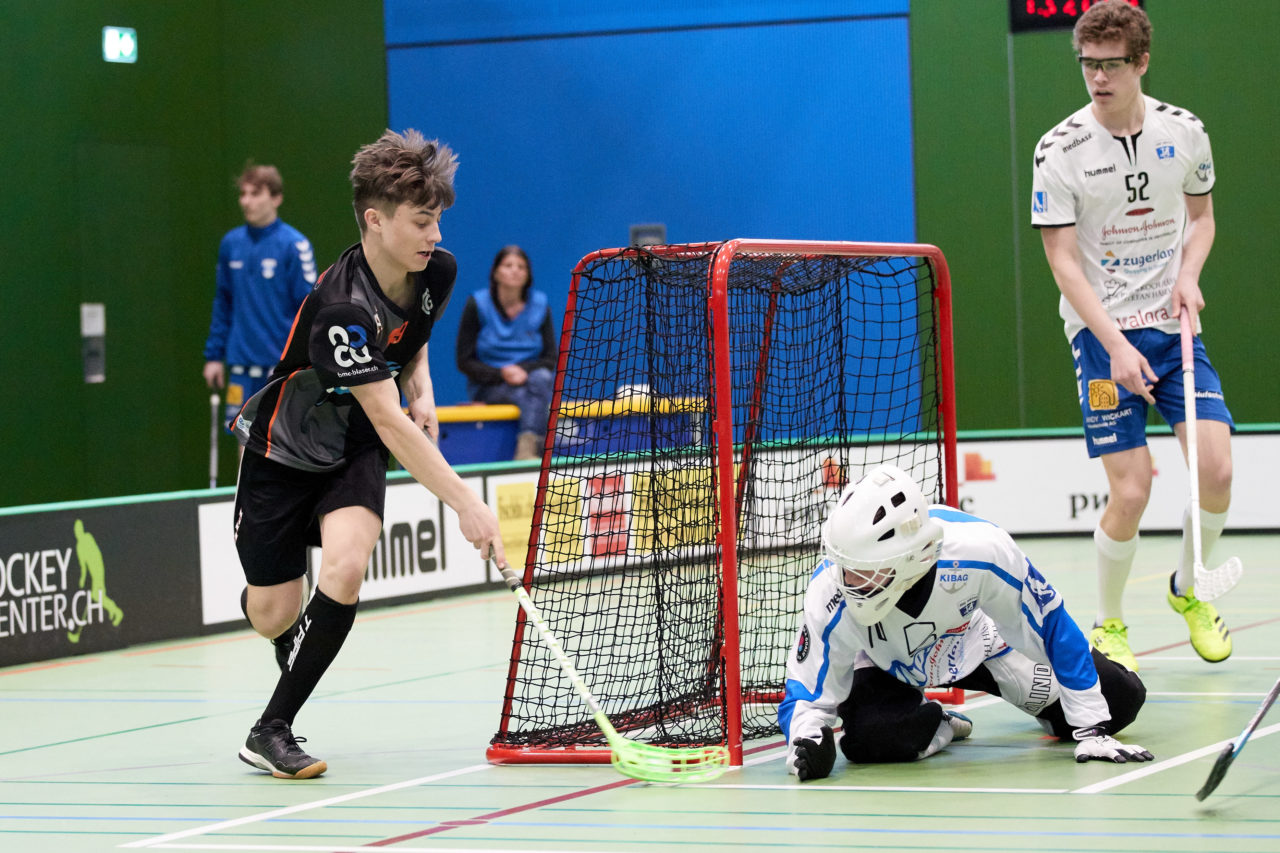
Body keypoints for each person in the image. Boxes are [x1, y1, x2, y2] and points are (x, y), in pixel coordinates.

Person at [229, 129, 506, 779]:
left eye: (437, 218)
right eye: (420, 221)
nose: (434, 234)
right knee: (275, 612)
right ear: (375, 221)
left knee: (348, 566)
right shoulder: (340, 310)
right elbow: (391, 421)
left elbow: (412, 335)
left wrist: (424, 387)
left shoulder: (434, 268)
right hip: (283, 450)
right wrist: (467, 502)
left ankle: (271, 728)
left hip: (351, 445)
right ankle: (276, 610)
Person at [1031, 0, 1232, 672]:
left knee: (1217, 470)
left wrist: (1189, 274)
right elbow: (1062, 262)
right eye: (1088, 64)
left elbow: (1201, 220)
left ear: (1141, 61)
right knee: (1134, 488)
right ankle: (1109, 621)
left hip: (1172, 326)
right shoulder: (1059, 150)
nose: (1098, 78)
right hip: (1100, 333)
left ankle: (1189, 589)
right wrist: (1113, 341)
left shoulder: (1186, 133)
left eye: (1112, 64)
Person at [780, 465, 1152, 781]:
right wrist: (807, 737)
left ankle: (1055, 703)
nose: (847, 580)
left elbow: (1050, 623)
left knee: (1121, 700)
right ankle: (940, 724)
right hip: (883, 664)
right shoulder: (829, 590)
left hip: (980, 641)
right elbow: (807, 687)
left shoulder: (981, 549)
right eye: (845, 566)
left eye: (863, 571)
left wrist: (1090, 728)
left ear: (908, 559)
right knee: (871, 742)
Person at [203, 164, 317, 430]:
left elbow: (309, 308)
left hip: (280, 365)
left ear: (276, 198)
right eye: (243, 194)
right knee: (243, 435)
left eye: (255, 194)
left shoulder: (294, 245)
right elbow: (223, 302)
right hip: (241, 363)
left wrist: (306, 361)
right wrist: (213, 356)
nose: (246, 201)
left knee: (279, 438)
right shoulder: (231, 244)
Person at [455, 245, 556, 460]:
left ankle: (528, 447)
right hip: (489, 385)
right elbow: (464, 361)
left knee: (541, 378)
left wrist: (522, 370)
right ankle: (533, 450)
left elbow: (550, 358)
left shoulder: (540, 306)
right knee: (536, 393)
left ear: (528, 275)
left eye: (521, 266)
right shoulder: (477, 304)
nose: (515, 270)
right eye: (508, 265)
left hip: (532, 380)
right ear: (496, 272)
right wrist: (502, 373)